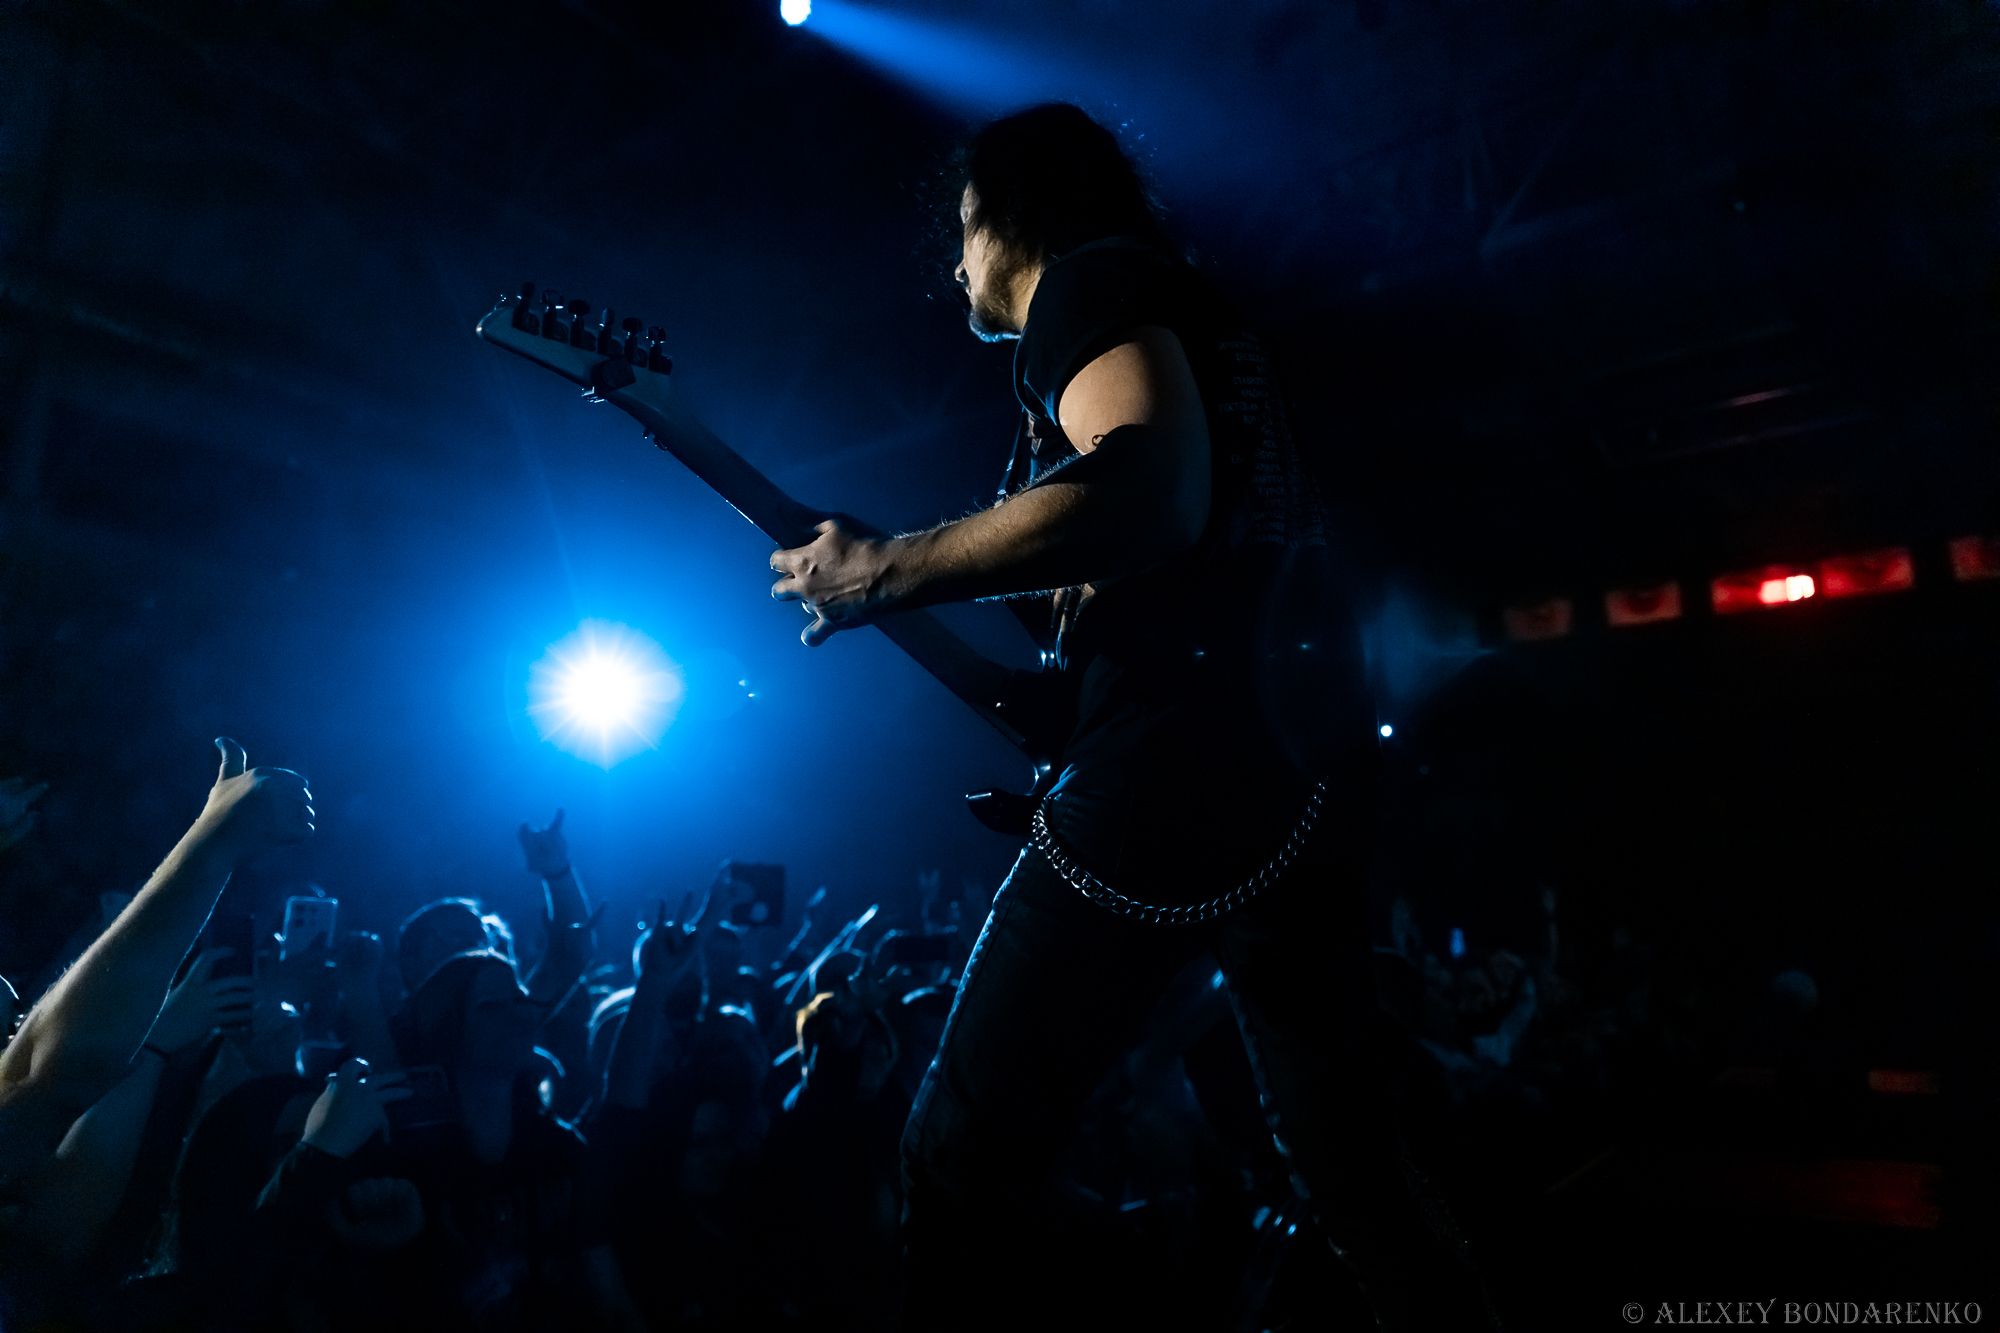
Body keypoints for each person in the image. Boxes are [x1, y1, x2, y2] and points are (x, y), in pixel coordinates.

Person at [767, 103, 1497, 1329]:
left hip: (1166, 774)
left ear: (1014, 214)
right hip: (1292, 771)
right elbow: (1190, 544)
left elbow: (1150, 489)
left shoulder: (1091, 281)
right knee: (1353, 1168)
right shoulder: (1193, 314)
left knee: (957, 1160)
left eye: (962, 226)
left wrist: (887, 569)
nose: (954, 261)